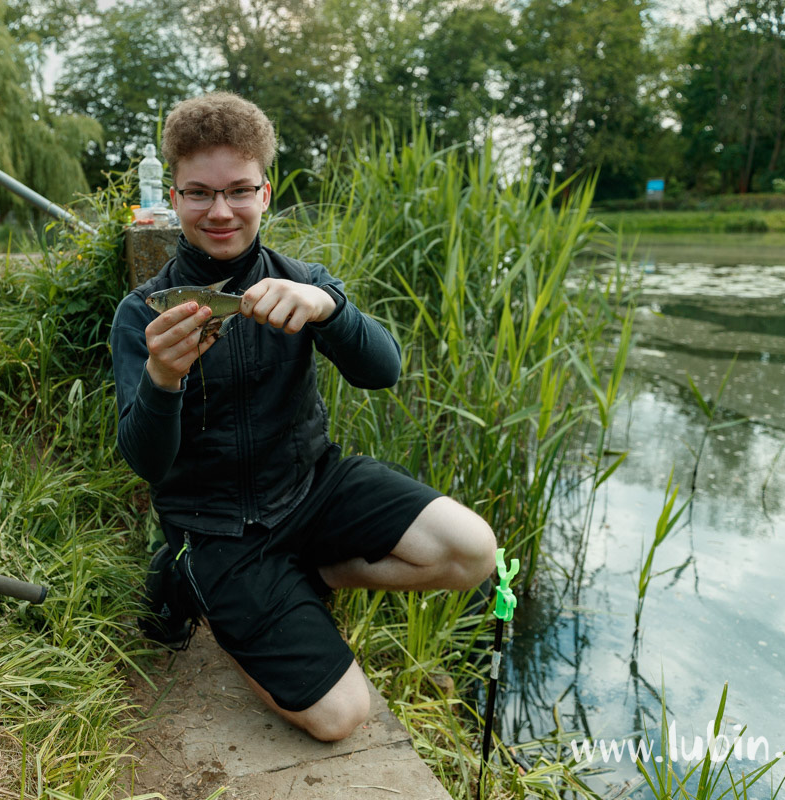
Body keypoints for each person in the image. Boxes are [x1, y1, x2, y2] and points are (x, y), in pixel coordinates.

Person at [110, 92, 496, 743]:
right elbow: (147, 462)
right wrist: (163, 379)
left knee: (473, 550)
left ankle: (307, 575)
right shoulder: (143, 313)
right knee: (343, 718)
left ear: (266, 191)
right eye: (200, 193)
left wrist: (328, 307)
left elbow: (383, 371)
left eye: (239, 190)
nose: (221, 211)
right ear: (173, 197)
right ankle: (204, 589)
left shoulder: (301, 280)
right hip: (217, 529)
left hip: (313, 486)